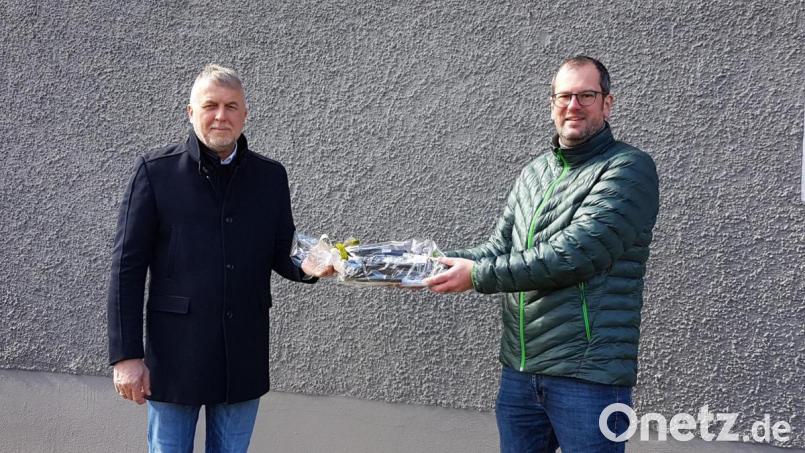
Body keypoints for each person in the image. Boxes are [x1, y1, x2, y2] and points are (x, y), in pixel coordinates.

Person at [424, 56, 660, 452]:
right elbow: (498, 250)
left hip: (586, 375)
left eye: (586, 95)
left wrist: (478, 275)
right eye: (564, 96)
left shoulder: (628, 168)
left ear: (608, 102)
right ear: (552, 103)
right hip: (520, 372)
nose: (574, 105)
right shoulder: (535, 172)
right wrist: (409, 264)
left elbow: (574, 253)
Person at [107, 64, 333, 452]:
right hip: (175, 355)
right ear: (190, 112)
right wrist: (126, 356)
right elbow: (126, 268)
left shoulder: (270, 177)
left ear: (245, 114)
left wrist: (308, 265)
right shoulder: (155, 172)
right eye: (210, 105)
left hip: (241, 352)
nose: (221, 116)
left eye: (232, 106)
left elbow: (283, 248)